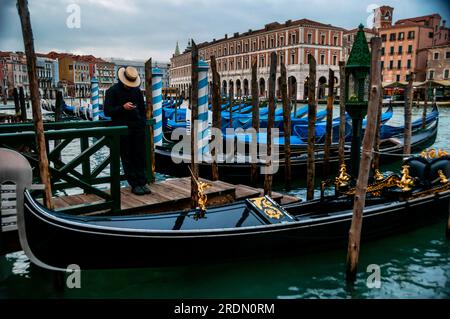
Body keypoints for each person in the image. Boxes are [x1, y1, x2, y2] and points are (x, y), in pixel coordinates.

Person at [104, 66, 151, 196]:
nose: (130, 86)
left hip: (137, 128)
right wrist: (122, 108)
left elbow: (142, 109)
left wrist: (142, 122)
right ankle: (134, 185)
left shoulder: (136, 91)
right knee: (127, 157)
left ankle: (142, 182)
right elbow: (107, 111)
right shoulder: (111, 91)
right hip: (122, 128)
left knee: (140, 156)